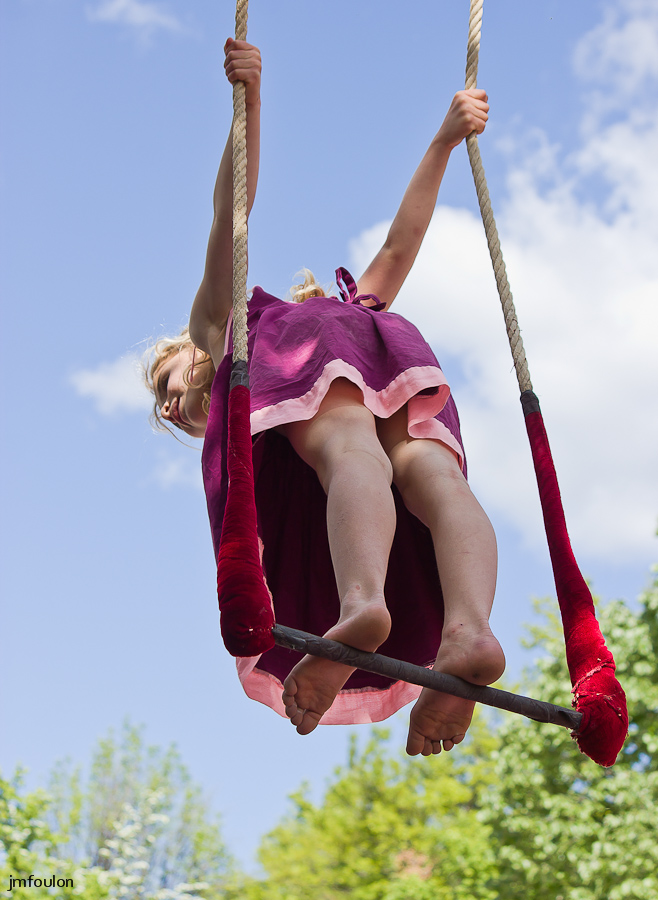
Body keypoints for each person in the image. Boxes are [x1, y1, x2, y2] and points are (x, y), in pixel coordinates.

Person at [146, 39, 505, 757]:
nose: (167, 405)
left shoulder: (225, 328)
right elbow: (401, 249)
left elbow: (231, 214)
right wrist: (442, 139)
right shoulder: (359, 303)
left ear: (195, 355)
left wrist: (246, 104)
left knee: (347, 451)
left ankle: (362, 604)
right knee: (430, 475)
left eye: (166, 380)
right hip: (391, 346)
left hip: (310, 352)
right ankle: (468, 629)